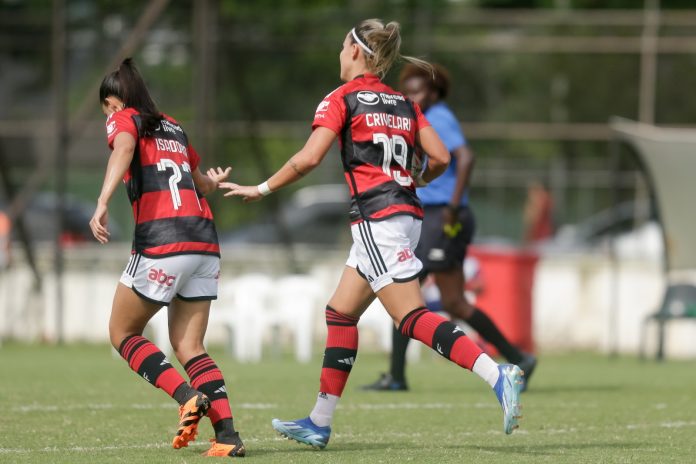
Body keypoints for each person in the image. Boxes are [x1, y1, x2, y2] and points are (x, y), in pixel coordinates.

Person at [220, 19, 524, 450]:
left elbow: (308, 159)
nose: (340, 53)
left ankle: (498, 374)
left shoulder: (341, 98)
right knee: (341, 313)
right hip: (402, 216)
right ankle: (319, 422)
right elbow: (439, 158)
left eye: (344, 46)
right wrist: (415, 179)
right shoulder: (404, 103)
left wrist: (262, 187)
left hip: (377, 220)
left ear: (356, 52)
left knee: (410, 317)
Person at [89, 58, 245, 458]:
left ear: (114, 101)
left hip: (163, 242)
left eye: (106, 108)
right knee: (190, 345)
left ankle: (186, 396)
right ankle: (227, 437)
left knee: (122, 334)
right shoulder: (173, 126)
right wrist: (215, 180)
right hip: (204, 243)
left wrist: (103, 200)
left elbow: (123, 146)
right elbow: (200, 182)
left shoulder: (124, 119)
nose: (107, 117)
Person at [362, 63, 537, 393]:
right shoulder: (421, 117)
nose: (412, 96)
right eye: (409, 90)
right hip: (436, 218)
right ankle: (519, 359)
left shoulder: (439, 116)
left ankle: (397, 376)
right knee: (454, 302)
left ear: (435, 93)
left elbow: (466, 157)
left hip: (443, 217)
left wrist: (452, 209)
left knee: (404, 291)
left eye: (419, 90)